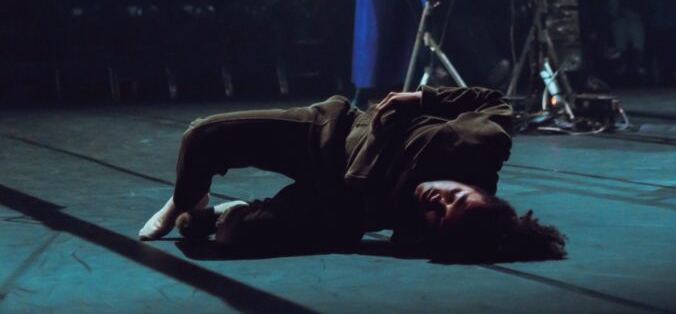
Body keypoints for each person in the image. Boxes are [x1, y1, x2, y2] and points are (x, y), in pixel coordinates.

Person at [138, 85, 566, 262]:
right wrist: (421, 99)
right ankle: (188, 199)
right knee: (201, 137)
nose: (438, 201)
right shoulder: (480, 143)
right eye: (455, 197)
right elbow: (495, 101)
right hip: (331, 134)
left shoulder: (425, 236)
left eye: (441, 216)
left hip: (332, 206)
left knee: (231, 237)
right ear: (483, 192)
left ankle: (220, 214)